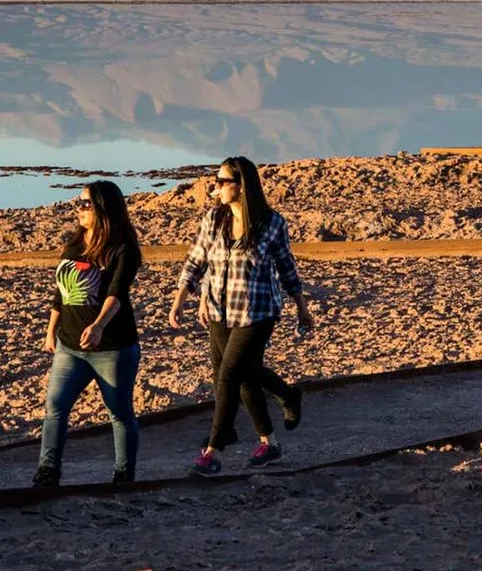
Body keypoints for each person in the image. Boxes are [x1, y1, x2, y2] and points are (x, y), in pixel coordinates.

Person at [170, 156, 315, 476]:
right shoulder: (213, 219)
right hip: (219, 309)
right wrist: (181, 298)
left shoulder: (271, 223)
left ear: (241, 185)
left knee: (229, 374)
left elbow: (286, 267)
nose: (216, 187)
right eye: (216, 181)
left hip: (258, 311)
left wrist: (301, 306)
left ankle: (213, 450)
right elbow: (196, 260)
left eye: (222, 182)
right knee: (245, 376)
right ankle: (274, 434)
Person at [34, 180, 143, 487]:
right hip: (70, 345)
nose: (79, 209)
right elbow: (62, 291)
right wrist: (51, 330)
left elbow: (116, 293)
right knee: (55, 406)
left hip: (112, 347)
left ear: (103, 209)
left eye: (85, 204)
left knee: (119, 412)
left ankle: (124, 475)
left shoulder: (123, 248)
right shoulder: (74, 242)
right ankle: (47, 471)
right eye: (78, 203)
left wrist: (98, 326)